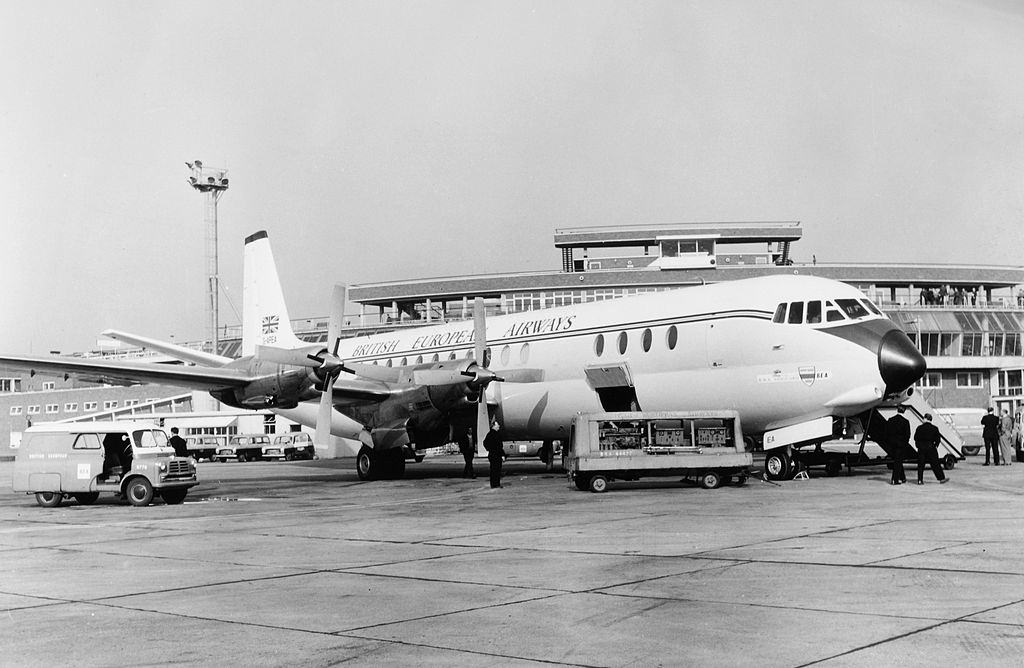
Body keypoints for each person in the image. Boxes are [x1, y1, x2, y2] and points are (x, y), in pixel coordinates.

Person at [914, 413, 947, 484]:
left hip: (921, 448)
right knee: (935, 464)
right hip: (931, 447)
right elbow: (938, 439)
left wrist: (918, 446)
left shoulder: (919, 428)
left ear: (925, 419)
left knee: (921, 465)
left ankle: (920, 480)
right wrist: (935, 446)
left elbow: (915, 438)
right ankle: (941, 478)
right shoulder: (935, 428)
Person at [885, 405, 911, 485]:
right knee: (898, 462)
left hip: (892, 445)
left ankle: (903, 478)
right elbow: (907, 435)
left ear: (897, 410)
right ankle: (894, 480)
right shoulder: (905, 422)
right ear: (904, 411)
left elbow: (887, 433)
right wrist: (904, 444)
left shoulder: (890, 420)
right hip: (900, 445)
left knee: (898, 461)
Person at [483, 420, 504, 489]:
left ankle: (495, 484)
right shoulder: (493, 434)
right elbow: (499, 446)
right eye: (497, 425)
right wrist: (492, 449)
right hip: (495, 455)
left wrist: (489, 449)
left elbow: (485, 443)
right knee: (495, 470)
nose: (499, 426)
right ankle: (495, 484)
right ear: (494, 426)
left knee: (495, 470)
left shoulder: (491, 434)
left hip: (494, 454)